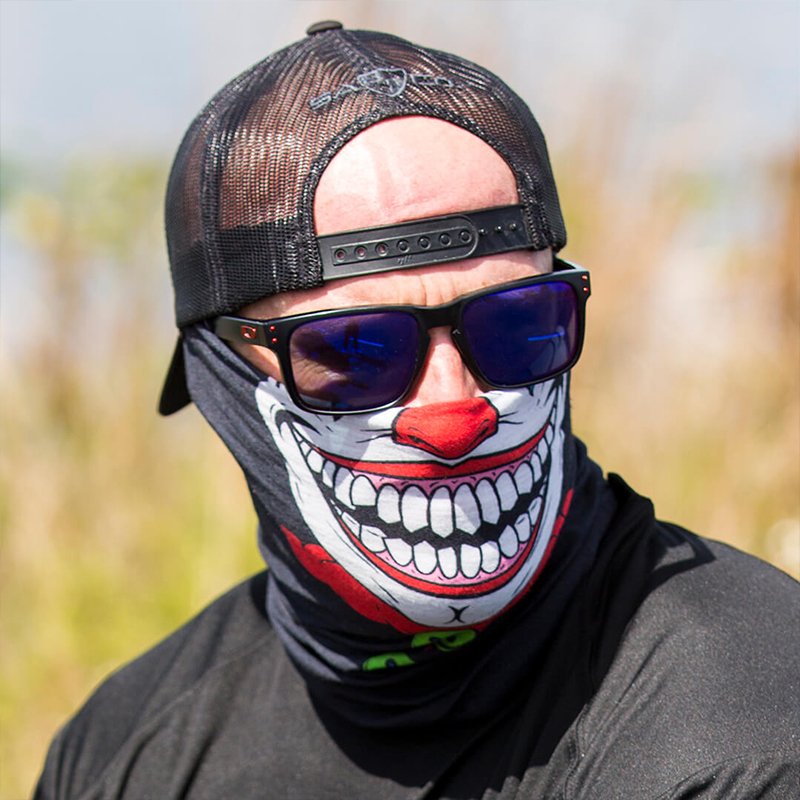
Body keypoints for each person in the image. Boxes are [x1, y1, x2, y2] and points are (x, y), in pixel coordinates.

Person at [35, 22, 799, 799]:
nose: (453, 412)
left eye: (513, 324)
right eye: (356, 351)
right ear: (218, 372)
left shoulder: (745, 728)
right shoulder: (124, 751)